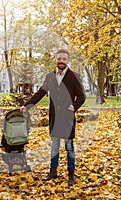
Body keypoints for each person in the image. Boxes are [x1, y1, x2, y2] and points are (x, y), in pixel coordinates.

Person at [20, 49, 86, 186]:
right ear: (55, 60)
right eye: (59, 58)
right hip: (55, 117)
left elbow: (81, 96)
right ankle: (53, 171)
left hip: (67, 118)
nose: (61, 61)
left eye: (64, 59)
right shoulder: (50, 76)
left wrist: (74, 106)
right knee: (54, 147)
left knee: (69, 147)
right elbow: (40, 93)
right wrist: (26, 106)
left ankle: (71, 174)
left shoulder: (74, 76)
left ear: (68, 61)